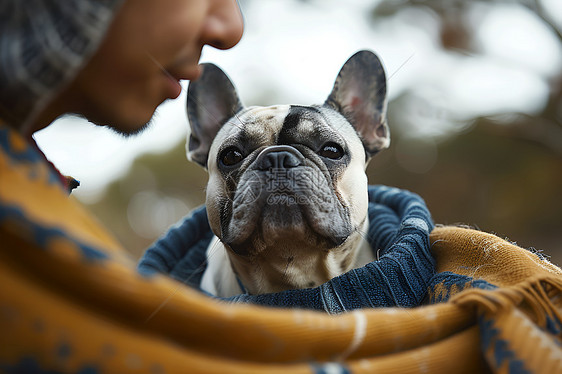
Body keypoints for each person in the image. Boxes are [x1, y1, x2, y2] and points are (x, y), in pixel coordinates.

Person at [1, 1, 562, 373]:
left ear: (372, 135)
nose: (279, 171)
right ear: (202, 149)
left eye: (330, 151)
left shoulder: (473, 287)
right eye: (239, 156)